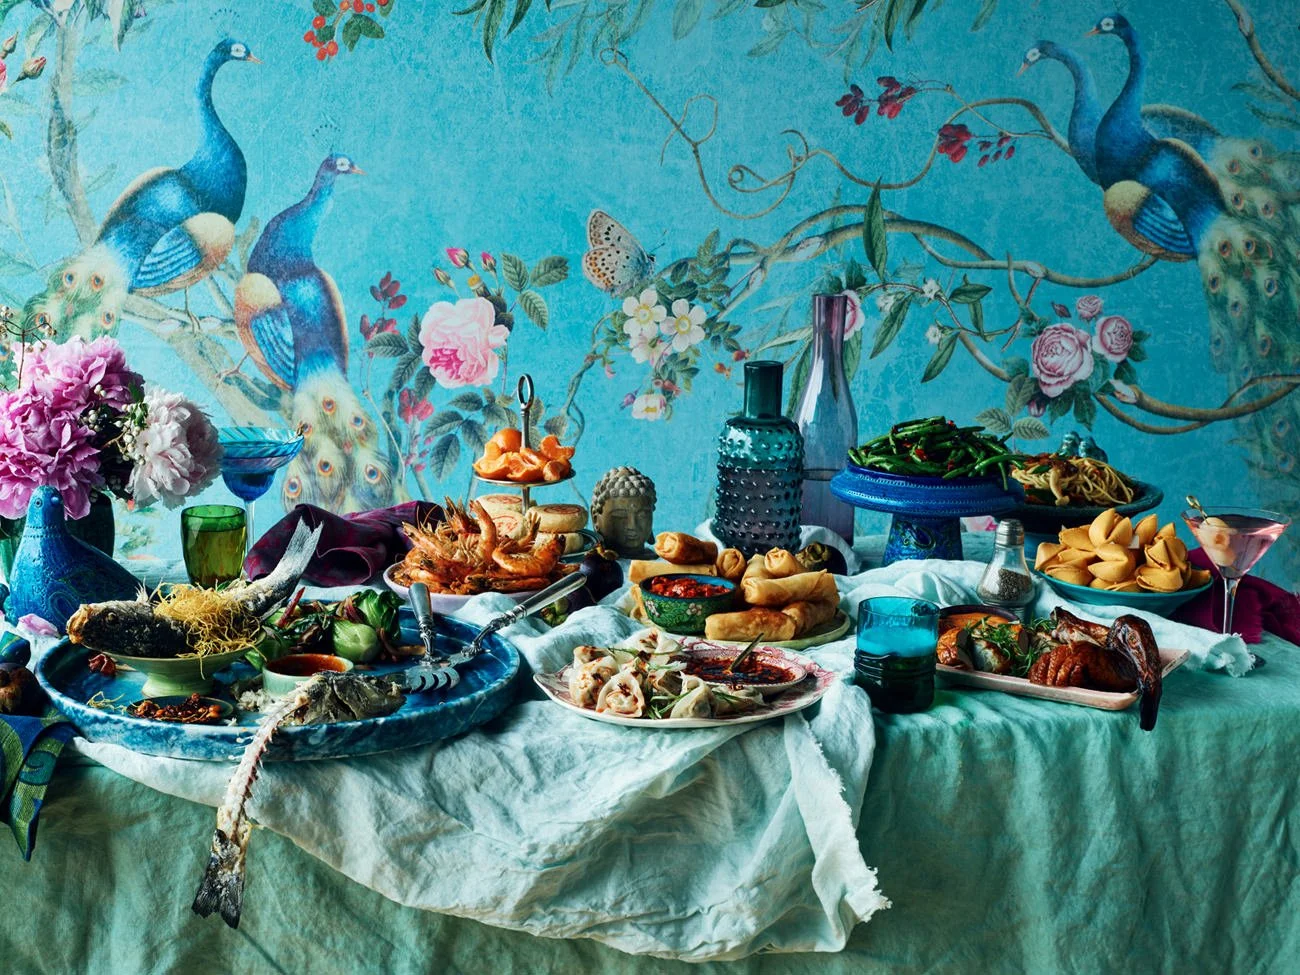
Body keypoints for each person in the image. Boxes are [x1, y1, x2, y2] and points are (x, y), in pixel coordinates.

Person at [590, 466, 656, 557]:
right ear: (595, 520)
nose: (632, 526)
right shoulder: (591, 565)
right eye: (620, 515)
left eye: (642, 515)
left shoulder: (665, 564)